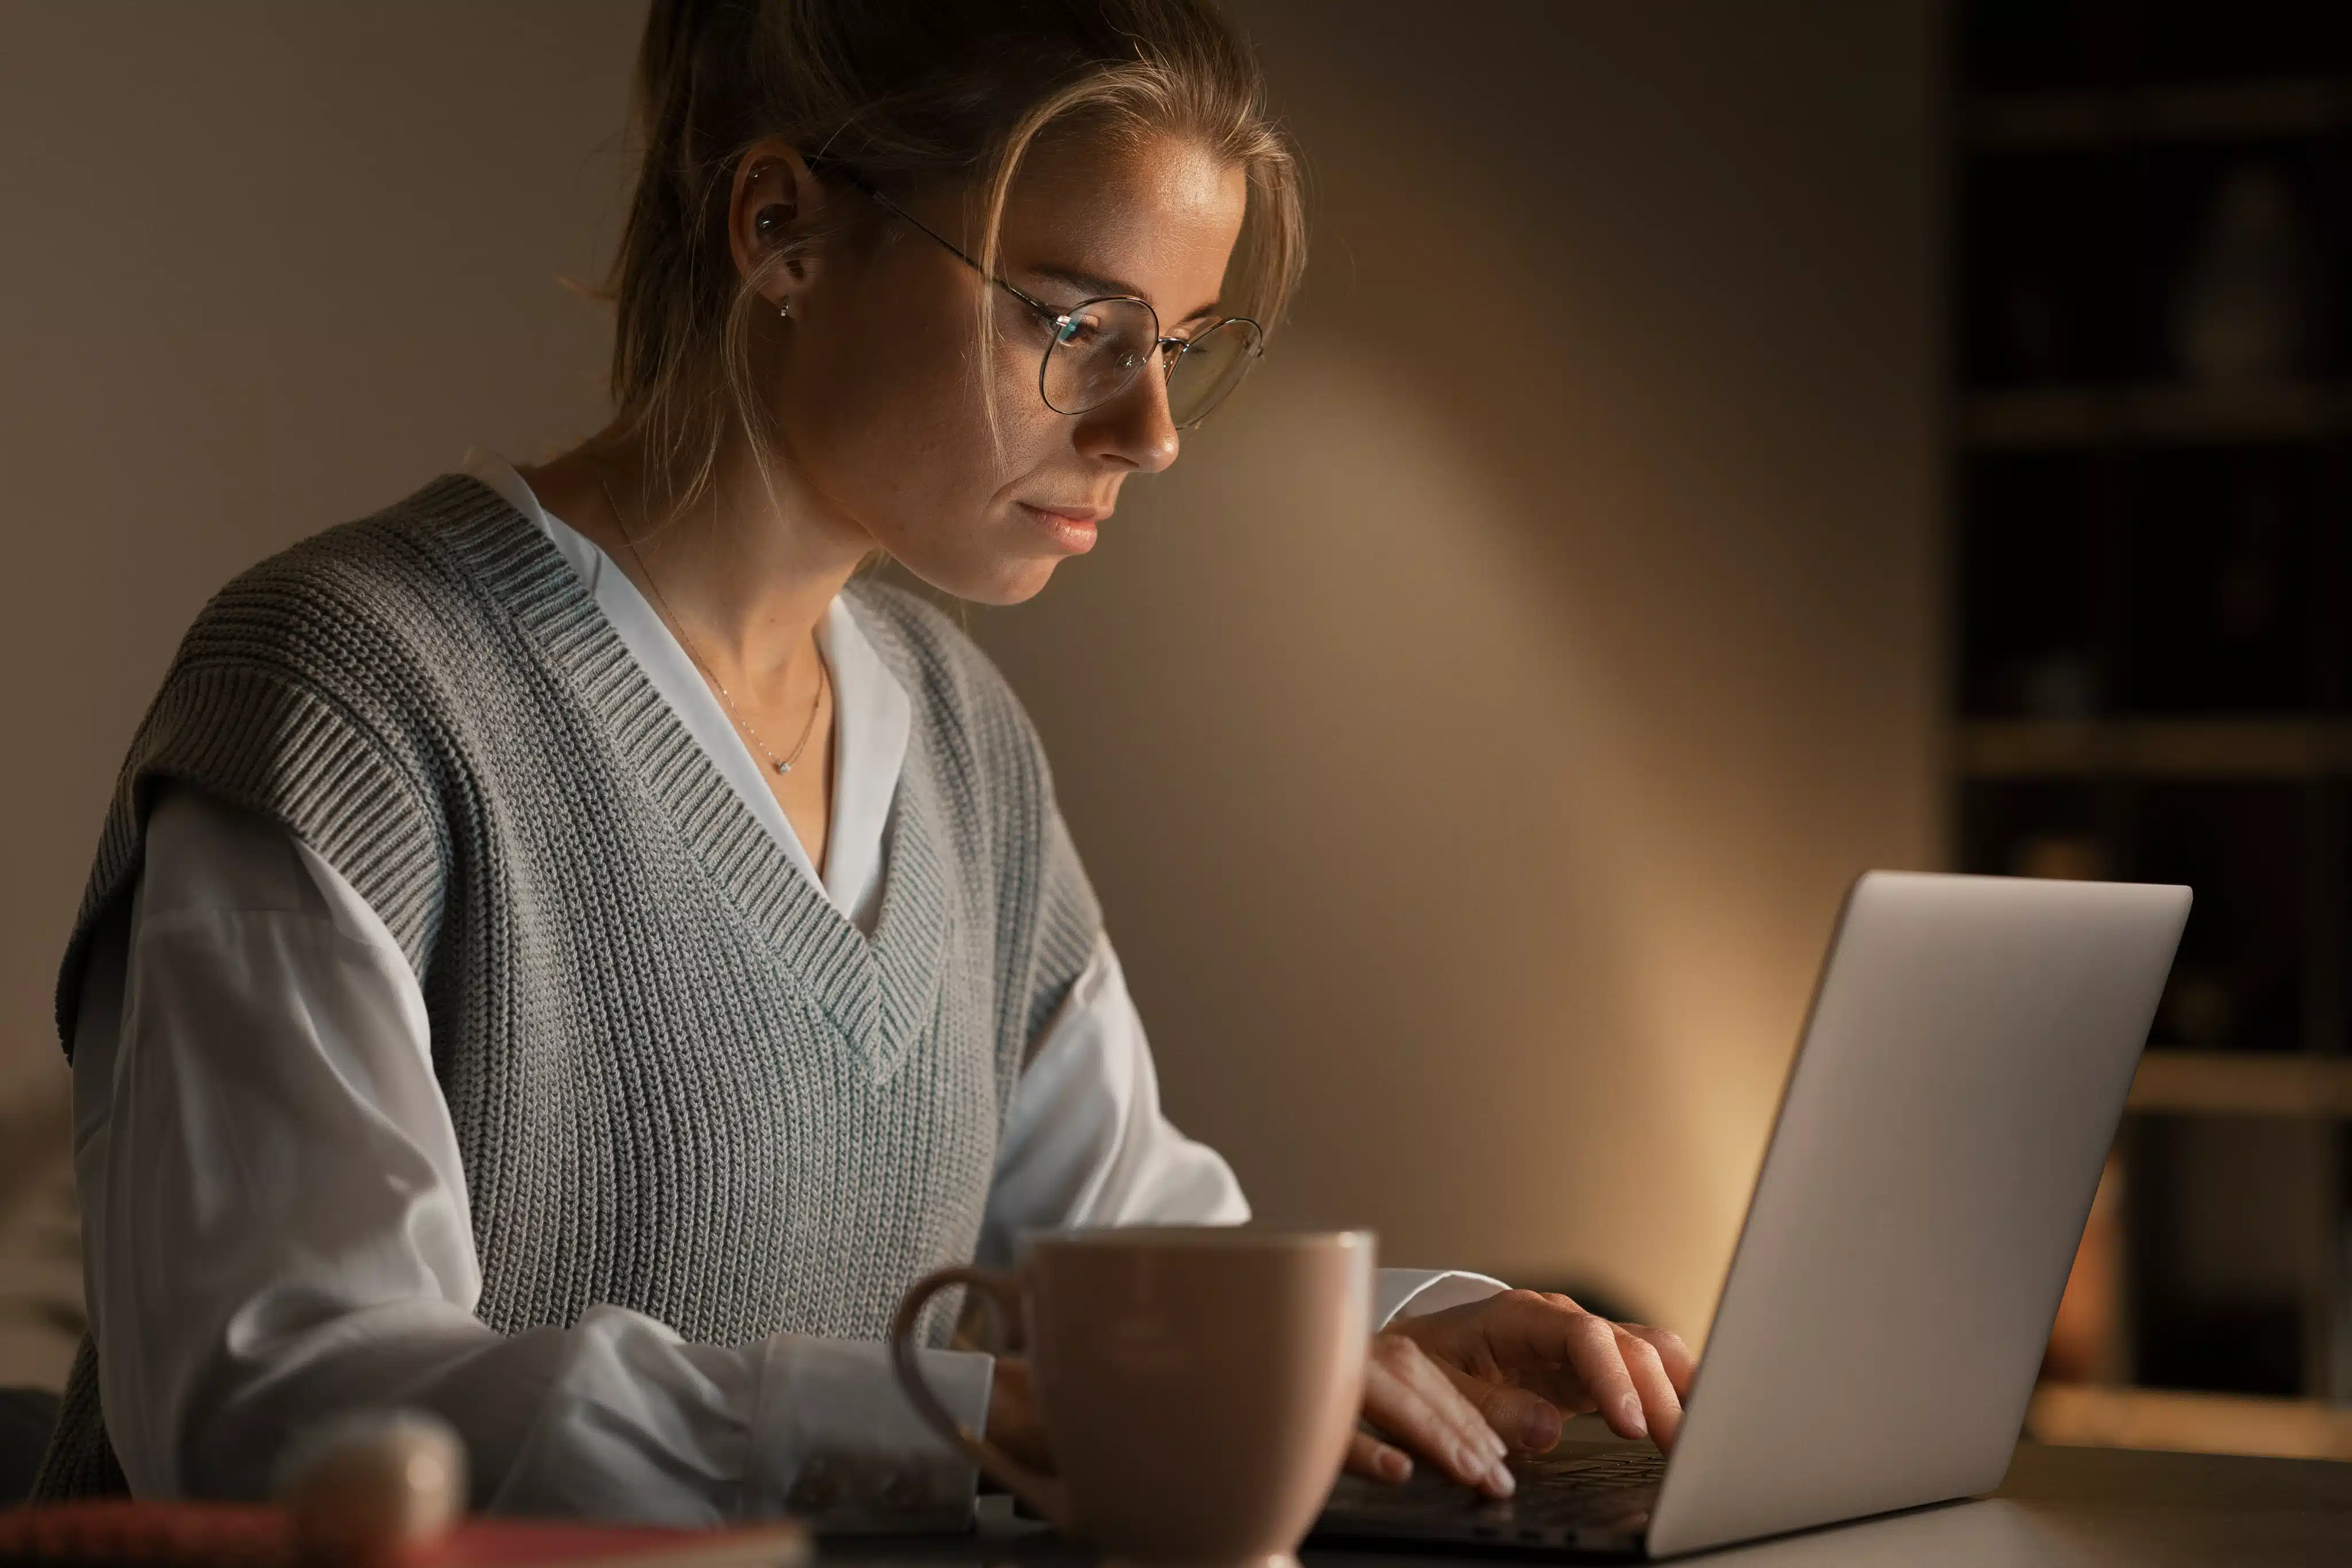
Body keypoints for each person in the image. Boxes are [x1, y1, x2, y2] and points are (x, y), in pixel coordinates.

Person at [40, 0, 1692, 1526]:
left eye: (1180, 343)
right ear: (782, 229)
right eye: (1073, 321)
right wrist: (932, 1423)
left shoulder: (961, 743)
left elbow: (1127, 1263)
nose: (1151, 430)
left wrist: (1413, 1329)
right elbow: (277, 1402)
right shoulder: (351, 695)